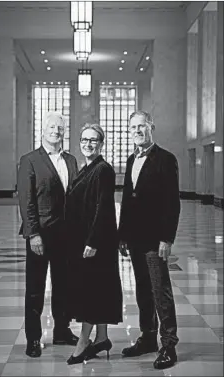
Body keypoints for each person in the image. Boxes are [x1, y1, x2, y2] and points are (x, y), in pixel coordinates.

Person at [118, 110, 180, 370]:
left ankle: (169, 344)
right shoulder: (132, 159)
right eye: (133, 127)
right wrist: (121, 235)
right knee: (143, 289)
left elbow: (171, 203)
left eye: (142, 126)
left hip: (155, 240)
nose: (137, 130)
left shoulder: (166, 159)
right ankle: (147, 337)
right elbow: (127, 201)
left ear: (151, 126)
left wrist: (166, 239)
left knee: (160, 291)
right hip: (134, 239)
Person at [17, 112, 79, 358]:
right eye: (52, 126)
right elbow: (26, 201)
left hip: (66, 236)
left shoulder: (72, 160)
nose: (56, 131)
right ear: (43, 130)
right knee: (35, 288)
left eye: (61, 127)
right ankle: (33, 338)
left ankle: (62, 331)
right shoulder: (30, 160)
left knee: (63, 285)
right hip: (41, 236)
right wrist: (33, 235)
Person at [65, 123, 123, 365]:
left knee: (90, 290)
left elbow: (104, 208)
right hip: (87, 240)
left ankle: (83, 341)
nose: (88, 144)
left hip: (96, 243)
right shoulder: (85, 168)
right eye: (84, 140)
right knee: (99, 289)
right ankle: (101, 337)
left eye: (93, 140)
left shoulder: (103, 170)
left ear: (101, 144)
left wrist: (93, 241)